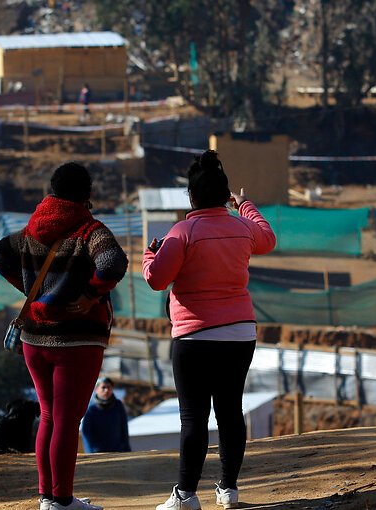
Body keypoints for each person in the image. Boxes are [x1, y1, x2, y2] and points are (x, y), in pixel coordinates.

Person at [142, 150, 276, 510]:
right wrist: (245, 205)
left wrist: (148, 257)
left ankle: (185, 495)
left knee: (193, 417)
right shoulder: (242, 227)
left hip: (194, 337)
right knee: (231, 411)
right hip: (240, 334)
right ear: (224, 195)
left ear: (192, 196)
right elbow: (268, 237)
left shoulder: (183, 231)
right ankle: (228, 490)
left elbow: (157, 280)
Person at [0, 162, 128, 510]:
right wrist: (90, 295)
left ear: (51, 192)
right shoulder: (88, 230)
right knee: (68, 422)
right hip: (77, 342)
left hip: (35, 340)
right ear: (87, 195)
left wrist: (32, 294)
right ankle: (62, 501)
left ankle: (47, 498)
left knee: (50, 417)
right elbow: (113, 263)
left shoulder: (31, 229)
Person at [81, 377, 130, 453]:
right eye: (103, 387)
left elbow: (124, 429)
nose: (106, 390)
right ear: (96, 390)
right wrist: (91, 452)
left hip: (118, 452)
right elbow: (86, 434)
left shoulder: (118, 406)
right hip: (98, 453)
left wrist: (126, 449)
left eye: (109, 387)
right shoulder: (91, 409)